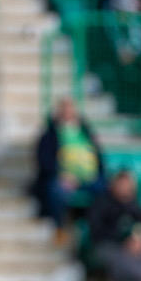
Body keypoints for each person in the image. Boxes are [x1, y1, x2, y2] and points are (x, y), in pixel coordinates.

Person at [33, 98, 106, 235]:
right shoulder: (50, 136)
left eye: (70, 109)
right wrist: (62, 175)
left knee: (104, 190)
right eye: (64, 110)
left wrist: (92, 174)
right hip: (61, 179)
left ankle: (92, 233)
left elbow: (98, 157)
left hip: (88, 179)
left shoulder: (86, 133)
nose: (68, 113)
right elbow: (45, 162)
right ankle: (59, 228)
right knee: (56, 191)